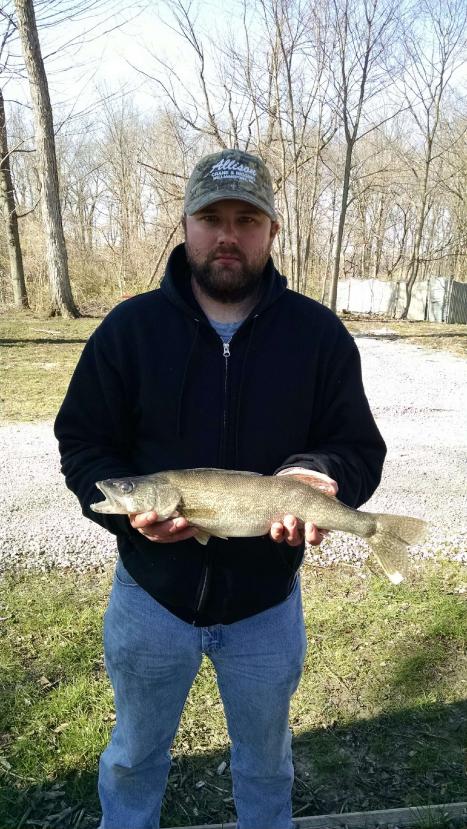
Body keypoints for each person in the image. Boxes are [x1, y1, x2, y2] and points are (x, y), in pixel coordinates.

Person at [54, 148, 386, 829]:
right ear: (186, 225)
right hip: (151, 603)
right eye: (211, 217)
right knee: (132, 756)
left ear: (270, 230)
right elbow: (84, 444)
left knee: (266, 763)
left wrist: (319, 470)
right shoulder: (130, 330)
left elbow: (357, 446)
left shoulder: (316, 335)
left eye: (246, 218)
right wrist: (128, 521)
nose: (227, 233)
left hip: (266, 608)